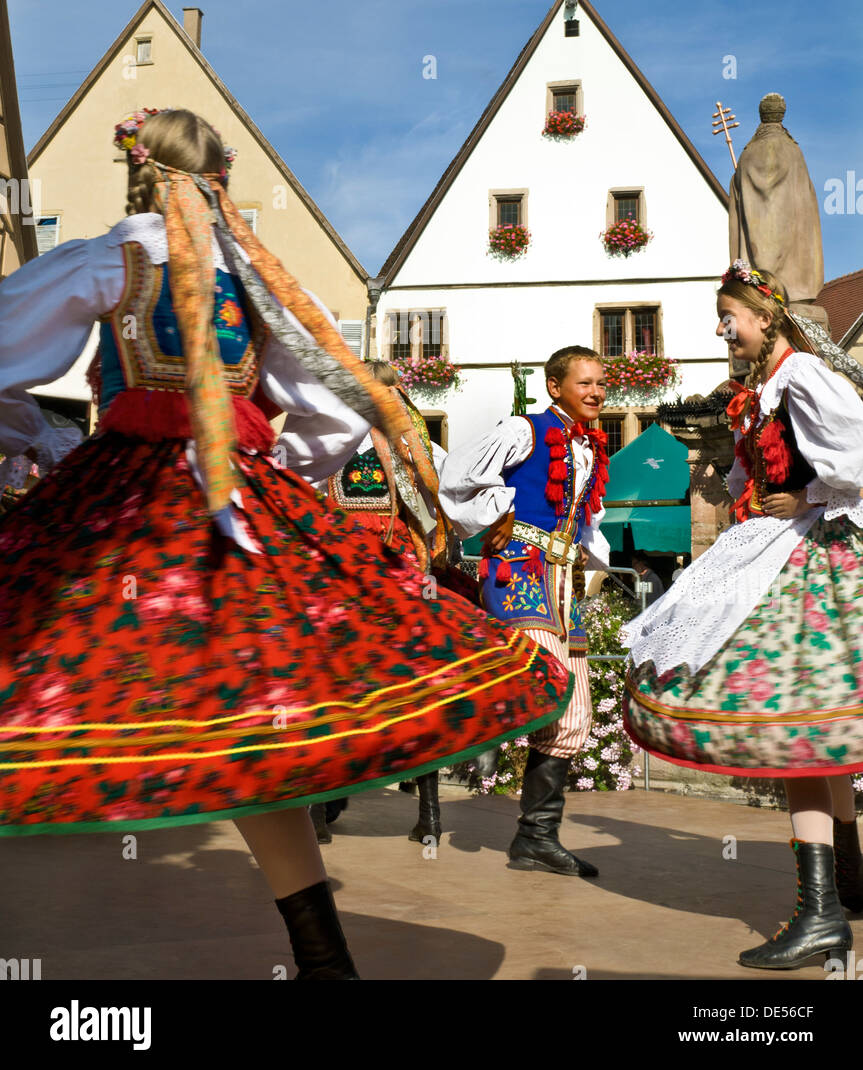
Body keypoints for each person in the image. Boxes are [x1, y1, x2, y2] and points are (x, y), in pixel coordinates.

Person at [0, 107, 575, 979]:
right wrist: (281, 478)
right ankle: (322, 958)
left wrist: (35, 441)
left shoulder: (107, 258)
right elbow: (333, 408)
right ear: (218, 181)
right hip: (241, 510)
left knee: (56, 668)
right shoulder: (252, 278)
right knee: (254, 726)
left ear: (138, 172)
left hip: (124, 508)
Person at [623, 261, 863, 970]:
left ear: (764, 318)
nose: (720, 329)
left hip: (808, 556)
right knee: (810, 735)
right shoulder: (758, 391)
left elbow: (854, 454)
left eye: (728, 317)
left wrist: (811, 493)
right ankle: (844, 887)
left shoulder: (803, 378)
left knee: (793, 729)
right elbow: (752, 476)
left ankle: (822, 913)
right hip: (769, 548)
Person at [439, 345, 610, 877]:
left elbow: (587, 518)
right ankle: (462, 727)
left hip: (564, 587)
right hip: (518, 573)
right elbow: (458, 475)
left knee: (576, 713)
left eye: (601, 384)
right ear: (555, 386)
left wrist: (587, 552)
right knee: (537, 682)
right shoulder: (524, 430)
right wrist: (501, 510)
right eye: (584, 383)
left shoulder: (591, 447)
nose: (596, 393)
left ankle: (535, 837)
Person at [320, 358, 463, 846]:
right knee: (412, 680)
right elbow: (449, 487)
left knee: (336, 682)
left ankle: (321, 810)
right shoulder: (410, 439)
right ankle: (428, 813)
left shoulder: (327, 436)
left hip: (346, 565)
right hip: (398, 559)